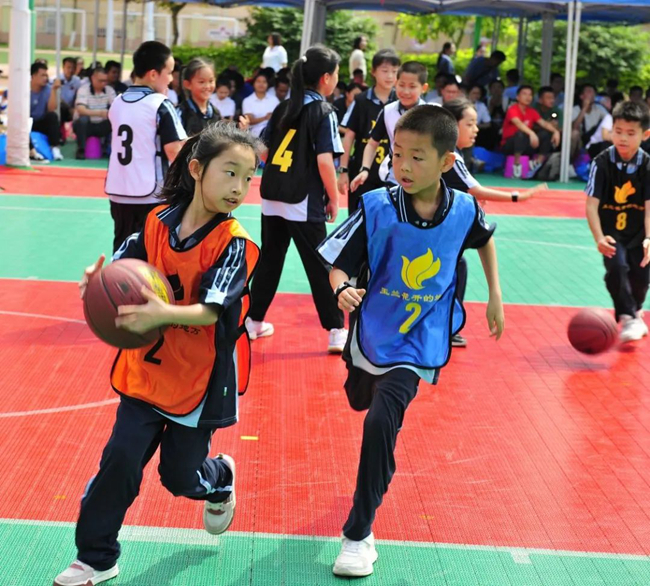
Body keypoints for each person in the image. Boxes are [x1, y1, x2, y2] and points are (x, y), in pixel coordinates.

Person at [53, 122, 262, 586]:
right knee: (119, 462)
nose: (239, 187)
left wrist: (162, 313)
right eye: (230, 173)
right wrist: (97, 284)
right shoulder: (156, 222)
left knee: (179, 478)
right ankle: (96, 557)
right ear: (197, 169)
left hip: (199, 380)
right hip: (146, 371)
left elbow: (210, 311)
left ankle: (219, 478)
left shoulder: (236, 244)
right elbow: (123, 268)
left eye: (248, 178)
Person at [317, 104, 504, 577]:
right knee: (363, 402)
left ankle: (358, 534)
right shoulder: (377, 205)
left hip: (421, 337)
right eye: (397, 153)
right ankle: (376, 462)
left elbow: (484, 238)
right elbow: (337, 264)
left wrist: (495, 296)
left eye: (416, 157)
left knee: (381, 421)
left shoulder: (464, 208)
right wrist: (341, 289)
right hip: (373, 331)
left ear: (446, 162)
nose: (403, 165)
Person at [245, 45, 347, 353]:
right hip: (302, 200)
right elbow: (325, 161)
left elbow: (262, 151)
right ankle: (336, 330)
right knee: (319, 265)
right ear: (326, 78)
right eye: (336, 74)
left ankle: (253, 321)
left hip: (273, 196)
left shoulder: (284, 107)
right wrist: (333, 198)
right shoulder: (323, 111)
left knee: (270, 260)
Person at [443, 98, 545, 346]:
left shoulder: (453, 153)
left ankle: (446, 326)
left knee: (458, 265)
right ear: (452, 125)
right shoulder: (450, 155)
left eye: (476, 123)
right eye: (470, 123)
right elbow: (476, 190)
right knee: (453, 266)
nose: (476, 129)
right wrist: (518, 196)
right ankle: (444, 326)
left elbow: (468, 191)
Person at [105, 41, 187, 253]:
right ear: (153, 74)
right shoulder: (160, 104)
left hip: (118, 191)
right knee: (152, 252)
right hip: (151, 193)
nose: (171, 79)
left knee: (122, 250)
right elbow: (175, 150)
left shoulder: (118, 102)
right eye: (169, 73)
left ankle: (117, 276)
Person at [585, 100, 650, 342]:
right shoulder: (601, 163)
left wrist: (649, 238)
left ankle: (635, 310)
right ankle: (628, 316)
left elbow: (649, 208)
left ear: (645, 135)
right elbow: (591, 205)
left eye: (630, 133)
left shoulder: (647, 165)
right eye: (618, 131)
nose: (623, 138)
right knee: (617, 268)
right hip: (612, 232)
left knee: (641, 277)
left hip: (639, 233)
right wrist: (599, 238)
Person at [350, 61, 429, 191]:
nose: (406, 91)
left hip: (423, 182)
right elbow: (372, 144)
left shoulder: (432, 113)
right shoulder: (388, 111)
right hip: (394, 180)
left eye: (412, 86)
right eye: (401, 85)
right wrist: (365, 169)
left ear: (424, 88)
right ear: (395, 83)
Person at [338, 49, 399, 214]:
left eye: (394, 71)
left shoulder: (401, 101)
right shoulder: (361, 100)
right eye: (385, 71)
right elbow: (349, 136)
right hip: (361, 173)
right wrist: (343, 170)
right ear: (373, 72)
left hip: (393, 175)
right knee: (359, 218)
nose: (390, 76)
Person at [501, 85, 560, 178]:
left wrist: (555, 132)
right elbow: (518, 124)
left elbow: (544, 124)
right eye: (524, 94)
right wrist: (532, 133)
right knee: (520, 134)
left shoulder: (532, 111)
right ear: (518, 97)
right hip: (509, 145)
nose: (527, 97)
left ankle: (537, 163)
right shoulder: (512, 109)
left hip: (525, 144)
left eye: (530, 94)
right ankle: (517, 165)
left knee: (545, 134)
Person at [73, 66, 116, 159]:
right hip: (87, 126)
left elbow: (116, 108)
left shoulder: (109, 90)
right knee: (82, 120)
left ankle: (109, 147)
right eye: (101, 81)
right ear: (93, 78)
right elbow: (81, 110)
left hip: (102, 125)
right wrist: (100, 113)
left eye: (105, 81)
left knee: (115, 120)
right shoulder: (83, 89)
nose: (103, 83)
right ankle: (81, 149)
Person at [29, 61, 64, 160]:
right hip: (28, 122)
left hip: (40, 122)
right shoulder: (25, 89)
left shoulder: (48, 89)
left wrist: (53, 90)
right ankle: (31, 151)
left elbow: (51, 108)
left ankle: (55, 148)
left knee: (52, 116)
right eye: (42, 75)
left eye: (46, 75)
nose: (45, 78)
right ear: (33, 76)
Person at [572, 83, 608, 155]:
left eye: (593, 92)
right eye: (589, 91)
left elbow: (610, 120)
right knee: (575, 133)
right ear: (581, 96)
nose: (592, 94)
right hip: (581, 142)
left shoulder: (599, 108)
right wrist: (584, 108)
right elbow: (574, 127)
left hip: (595, 141)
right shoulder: (575, 109)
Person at [242, 71, 279, 138]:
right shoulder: (247, 101)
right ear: (253, 84)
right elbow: (249, 120)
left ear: (268, 84)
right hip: (255, 134)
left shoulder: (274, 100)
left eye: (264, 82)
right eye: (258, 81)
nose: (261, 84)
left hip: (273, 132)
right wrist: (265, 118)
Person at [59, 56, 81, 124]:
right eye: (68, 67)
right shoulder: (56, 79)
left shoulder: (77, 81)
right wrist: (69, 108)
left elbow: (78, 95)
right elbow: (58, 98)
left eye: (73, 68)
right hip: (60, 107)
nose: (71, 70)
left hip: (72, 107)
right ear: (63, 67)